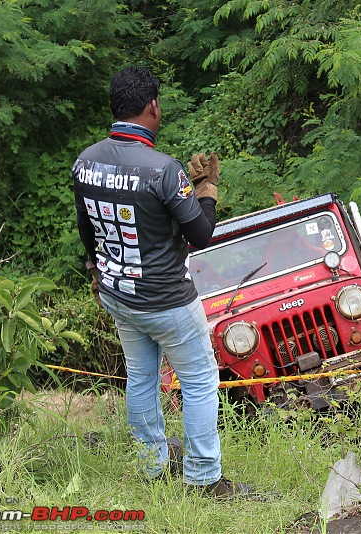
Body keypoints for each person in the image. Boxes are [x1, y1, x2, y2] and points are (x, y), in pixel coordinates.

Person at [73, 66, 248, 497]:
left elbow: (86, 230)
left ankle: (152, 465)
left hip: (118, 293)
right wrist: (205, 190)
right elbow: (201, 234)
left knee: (141, 376)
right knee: (200, 379)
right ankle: (204, 478)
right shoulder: (164, 170)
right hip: (167, 300)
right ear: (152, 105)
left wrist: (98, 273)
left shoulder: (85, 162)